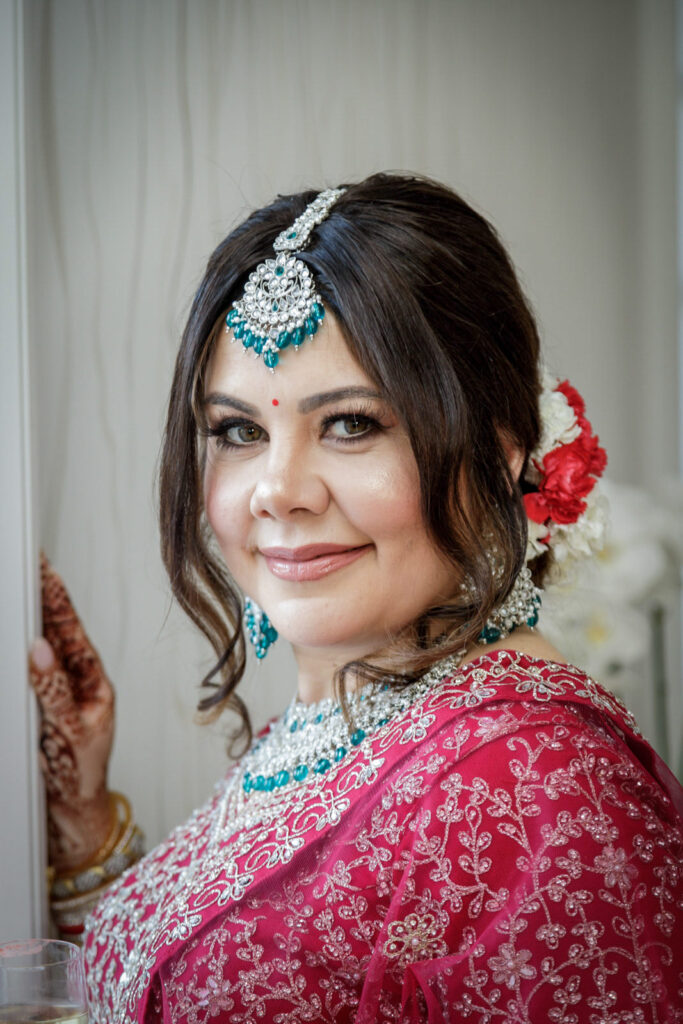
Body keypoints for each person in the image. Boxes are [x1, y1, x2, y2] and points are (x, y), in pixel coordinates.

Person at [29, 174, 683, 1024]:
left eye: (350, 424)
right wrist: (85, 825)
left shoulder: (537, 786)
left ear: (500, 452)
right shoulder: (339, 724)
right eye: (238, 431)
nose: (278, 491)